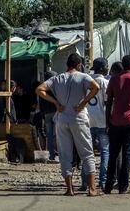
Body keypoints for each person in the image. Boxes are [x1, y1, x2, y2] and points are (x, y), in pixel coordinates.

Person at [36, 53, 100, 196]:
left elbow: (39, 89)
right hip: (79, 118)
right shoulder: (83, 77)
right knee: (87, 153)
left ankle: (69, 189)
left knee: (65, 155)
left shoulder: (57, 78)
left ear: (67, 65)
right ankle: (92, 189)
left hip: (62, 118)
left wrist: (56, 103)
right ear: (79, 65)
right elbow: (96, 87)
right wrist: (84, 102)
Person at [104, 55, 130, 194]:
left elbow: (109, 101)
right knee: (127, 153)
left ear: (122, 64)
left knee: (113, 154)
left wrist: (108, 121)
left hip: (115, 121)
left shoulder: (114, 79)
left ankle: (108, 186)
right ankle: (123, 186)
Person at [80, 58, 110, 190]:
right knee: (105, 152)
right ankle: (102, 181)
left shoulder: (86, 80)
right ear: (103, 68)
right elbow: (108, 102)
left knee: (86, 152)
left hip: (87, 120)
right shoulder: (104, 82)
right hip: (102, 121)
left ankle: (84, 182)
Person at [39, 71, 58, 161]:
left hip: (46, 114)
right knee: (57, 135)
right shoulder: (56, 88)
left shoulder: (42, 88)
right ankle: (59, 153)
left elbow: (41, 104)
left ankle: (52, 155)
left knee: (49, 136)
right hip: (56, 113)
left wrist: (43, 115)